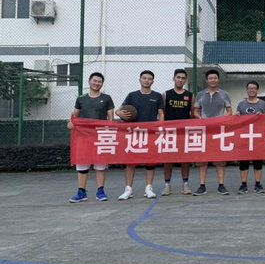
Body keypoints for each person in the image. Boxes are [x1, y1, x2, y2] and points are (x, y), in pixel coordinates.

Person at [116, 70, 164, 200]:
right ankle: (128, 189)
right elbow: (119, 110)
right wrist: (118, 113)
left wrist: (160, 127)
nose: (146, 80)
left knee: (150, 162)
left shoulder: (157, 96)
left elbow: (161, 114)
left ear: (152, 81)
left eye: (149, 79)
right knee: (130, 162)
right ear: (140, 80)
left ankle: (148, 188)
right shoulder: (132, 95)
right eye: (144, 78)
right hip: (134, 133)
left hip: (151, 133)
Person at [67, 72, 115, 202]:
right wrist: (71, 122)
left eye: (99, 81)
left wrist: (109, 128)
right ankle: (81, 192)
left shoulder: (107, 98)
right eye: (94, 81)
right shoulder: (81, 98)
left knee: (100, 165)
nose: (96, 83)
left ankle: (100, 191)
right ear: (89, 82)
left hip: (100, 136)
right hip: (83, 136)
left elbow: (111, 118)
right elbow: (75, 115)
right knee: (82, 165)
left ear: (102, 84)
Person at [193, 69, 232, 196]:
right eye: (210, 78)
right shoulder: (200, 94)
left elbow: (229, 111)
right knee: (202, 159)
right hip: (204, 131)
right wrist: (200, 119)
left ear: (218, 79)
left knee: (219, 159)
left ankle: (221, 185)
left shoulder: (224, 94)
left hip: (219, 131)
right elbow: (195, 111)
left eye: (215, 78)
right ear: (206, 80)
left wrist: (221, 120)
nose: (213, 80)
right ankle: (202, 185)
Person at [161, 69, 193, 196]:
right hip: (169, 132)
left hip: (184, 132)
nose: (180, 80)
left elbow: (192, 114)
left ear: (185, 80)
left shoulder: (190, 96)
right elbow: (162, 113)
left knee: (185, 160)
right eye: (178, 77)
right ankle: (167, 185)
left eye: (183, 78)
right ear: (173, 78)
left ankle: (185, 184)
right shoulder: (166, 94)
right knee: (168, 160)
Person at [235, 81, 265, 194]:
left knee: (258, 162)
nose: (251, 90)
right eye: (249, 88)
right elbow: (237, 120)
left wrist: (262, 117)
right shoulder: (241, 104)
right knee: (243, 162)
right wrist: (236, 116)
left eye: (254, 88)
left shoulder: (263, 104)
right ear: (246, 90)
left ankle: (258, 184)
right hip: (244, 137)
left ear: (257, 90)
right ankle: (243, 184)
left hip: (257, 137)